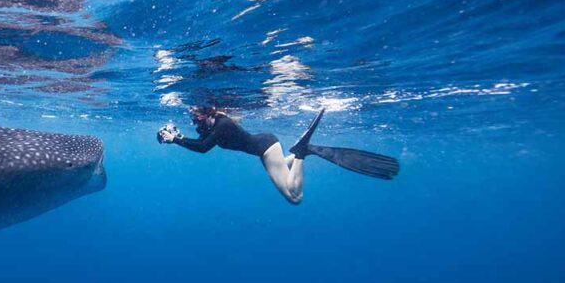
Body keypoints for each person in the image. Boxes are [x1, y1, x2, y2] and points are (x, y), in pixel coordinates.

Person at [157, 106, 399, 204]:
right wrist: (177, 137)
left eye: (196, 117)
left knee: (295, 197)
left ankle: (302, 152)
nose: (195, 121)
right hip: (265, 148)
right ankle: (301, 153)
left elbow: (201, 148)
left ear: (208, 112)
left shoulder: (222, 126)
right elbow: (200, 142)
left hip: (265, 148)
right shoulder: (215, 125)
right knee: (282, 166)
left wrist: (176, 140)